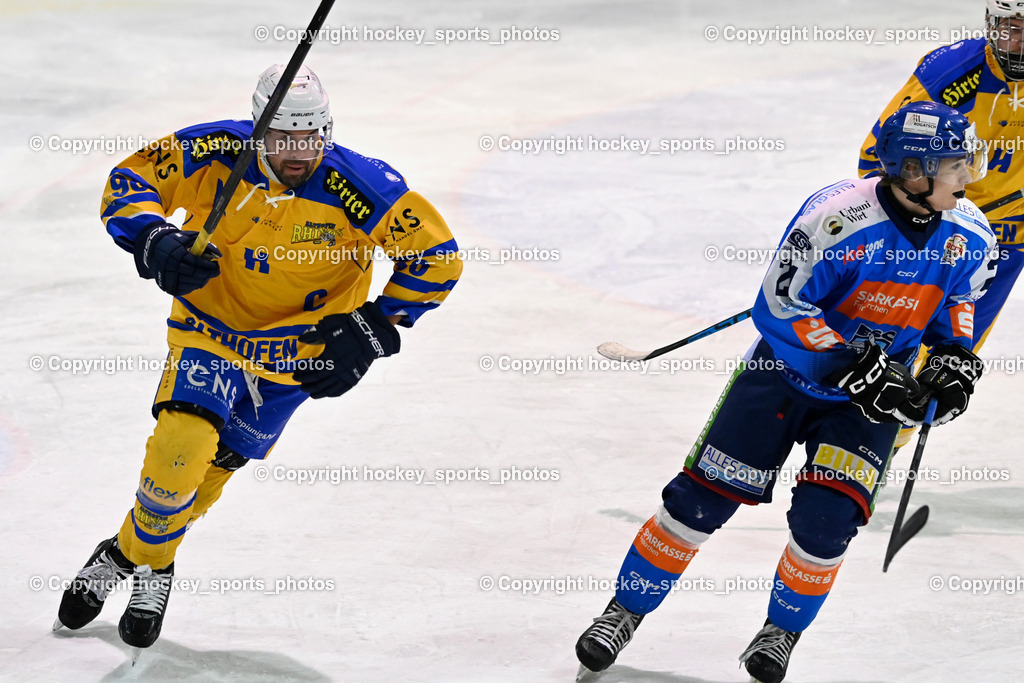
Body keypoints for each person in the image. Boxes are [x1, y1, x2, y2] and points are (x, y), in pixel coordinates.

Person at [575, 101, 995, 683]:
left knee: (828, 523)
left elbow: (958, 302)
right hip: (782, 379)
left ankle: (781, 631)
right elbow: (778, 305)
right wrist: (850, 361)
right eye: (955, 166)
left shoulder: (971, 233)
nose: (968, 177)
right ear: (913, 171)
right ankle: (622, 612)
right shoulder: (838, 218)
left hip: (864, 406)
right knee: (699, 504)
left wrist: (953, 358)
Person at [54, 64, 462, 651]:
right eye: (282, 139)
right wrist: (153, 238)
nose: (298, 153)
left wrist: (374, 326)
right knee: (178, 453)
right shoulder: (213, 152)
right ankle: (154, 564)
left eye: (311, 138)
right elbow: (128, 181)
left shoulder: (358, 186)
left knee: (208, 477)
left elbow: (438, 258)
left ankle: (131, 556)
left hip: (298, 360)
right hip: (211, 332)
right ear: (257, 131)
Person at [860, 0, 1024, 448]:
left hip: (1010, 236)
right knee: (895, 334)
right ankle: (857, 442)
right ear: (993, 25)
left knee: (951, 353)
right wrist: (911, 218)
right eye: (1013, 28)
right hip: (940, 224)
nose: (1021, 41)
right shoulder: (952, 73)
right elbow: (878, 156)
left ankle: (887, 446)